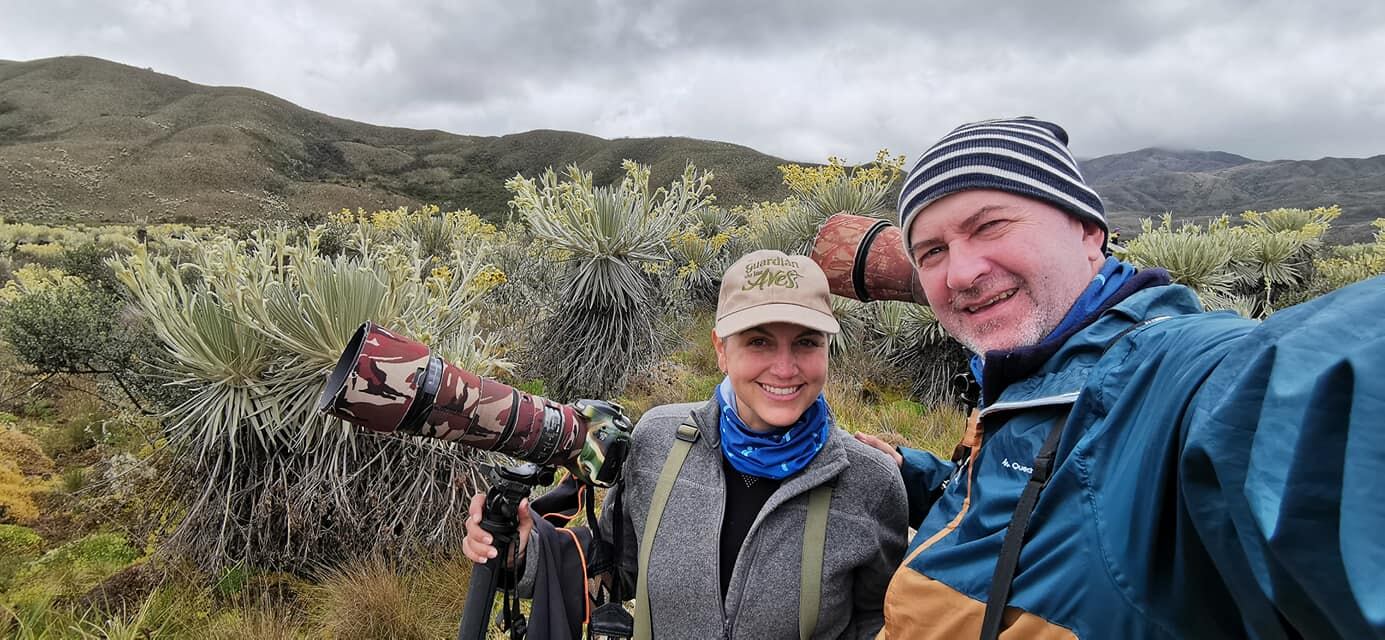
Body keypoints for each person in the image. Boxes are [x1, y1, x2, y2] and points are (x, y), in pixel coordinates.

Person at [853, 116, 1385, 638]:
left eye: (989, 225)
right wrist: (909, 473)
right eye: (933, 252)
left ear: (1088, 231)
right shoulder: (1031, 376)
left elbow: (1298, 402)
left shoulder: (1168, 374)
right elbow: (1024, 501)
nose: (961, 273)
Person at [463, 249, 908, 640]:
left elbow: (876, 622)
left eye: (807, 343)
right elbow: (618, 566)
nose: (785, 367)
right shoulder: (661, 439)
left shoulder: (871, 482)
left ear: (829, 348)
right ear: (720, 348)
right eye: (759, 342)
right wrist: (526, 553)